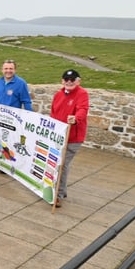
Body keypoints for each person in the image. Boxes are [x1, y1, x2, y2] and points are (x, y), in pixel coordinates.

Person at [0, 59, 33, 171]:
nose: (8, 71)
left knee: (9, 142)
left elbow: (26, 101)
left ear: (15, 70)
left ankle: (6, 165)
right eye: (6, 68)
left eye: (11, 69)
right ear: (2, 70)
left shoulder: (21, 83)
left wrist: (30, 117)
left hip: (11, 120)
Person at [50, 69, 89, 208]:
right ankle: (62, 191)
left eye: (72, 80)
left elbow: (82, 109)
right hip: (59, 136)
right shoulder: (58, 94)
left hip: (73, 137)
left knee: (62, 165)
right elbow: (53, 113)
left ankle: (58, 196)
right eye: (66, 79)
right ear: (62, 81)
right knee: (57, 163)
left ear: (78, 81)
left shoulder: (82, 94)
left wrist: (76, 118)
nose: (69, 82)